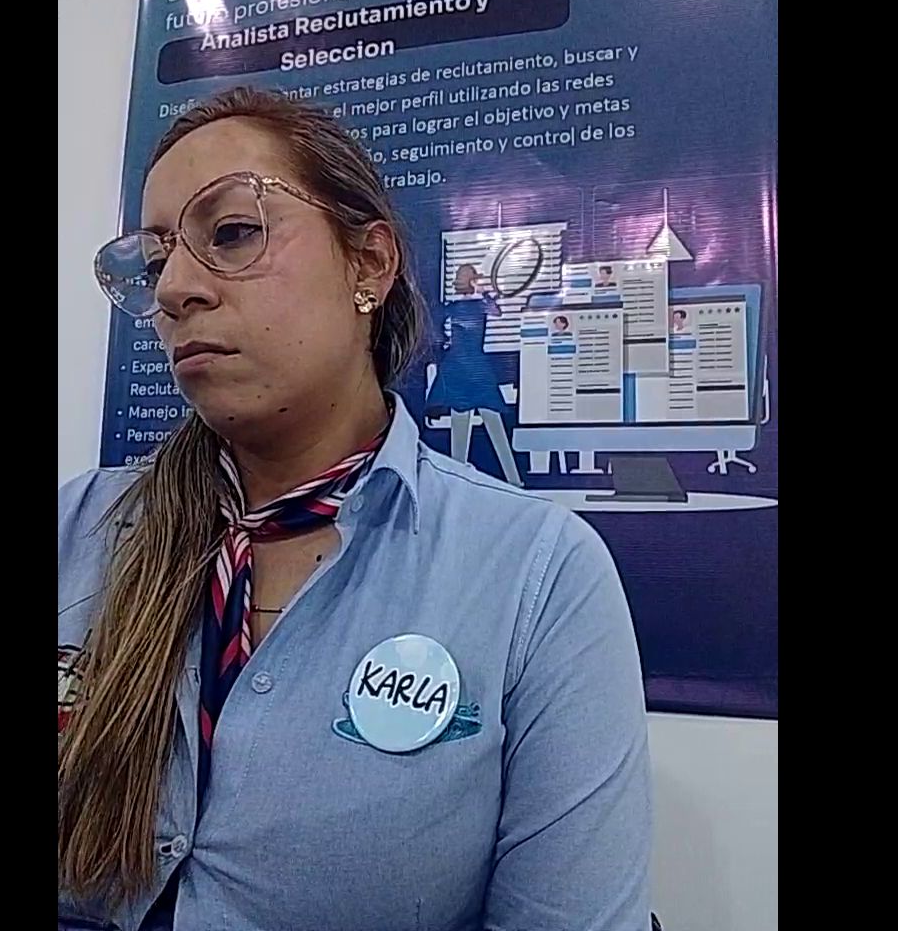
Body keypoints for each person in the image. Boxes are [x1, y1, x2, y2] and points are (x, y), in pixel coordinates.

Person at [58, 87, 651, 931]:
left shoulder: (535, 574)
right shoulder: (76, 532)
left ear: (368, 265)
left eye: (232, 232)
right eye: (156, 264)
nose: (177, 289)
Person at [425, 261, 523, 486]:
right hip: (461, 368)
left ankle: (512, 480)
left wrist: (484, 293)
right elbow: (435, 329)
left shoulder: (477, 305)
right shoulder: (453, 307)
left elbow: (496, 311)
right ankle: (462, 480)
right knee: (465, 427)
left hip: (472, 368)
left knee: (489, 422)